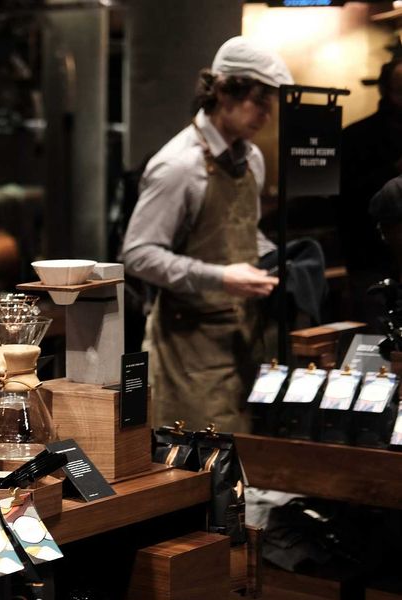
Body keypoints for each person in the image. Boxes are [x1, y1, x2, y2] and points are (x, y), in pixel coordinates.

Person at [122, 37, 290, 433]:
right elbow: (139, 253)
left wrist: (276, 258)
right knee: (195, 457)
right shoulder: (179, 166)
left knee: (247, 454)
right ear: (223, 93)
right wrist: (221, 277)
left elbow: (239, 230)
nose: (267, 115)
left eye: (270, 104)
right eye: (258, 101)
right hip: (188, 348)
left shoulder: (252, 158)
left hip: (241, 334)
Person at [339, 58, 402, 326]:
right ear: (387, 89)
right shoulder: (356, 137)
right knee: (377, 339)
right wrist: (391, 171)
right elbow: (346, 202)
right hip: (371, 260)